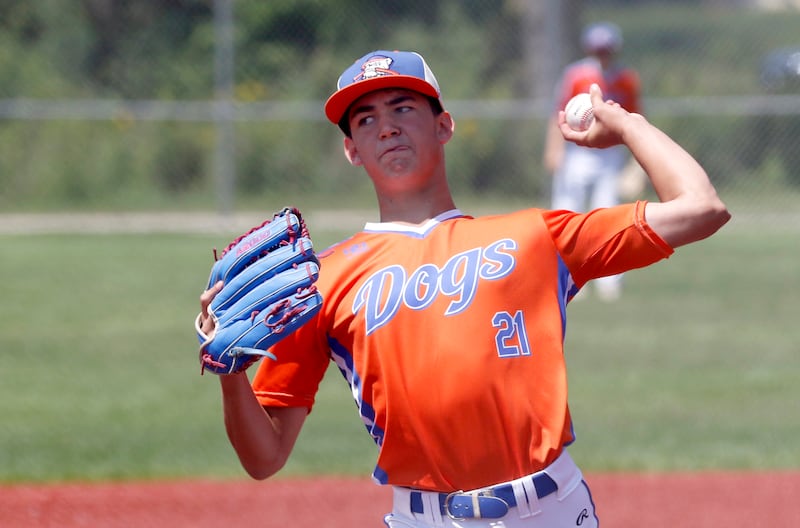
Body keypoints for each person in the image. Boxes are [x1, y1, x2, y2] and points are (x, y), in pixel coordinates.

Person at [198, 49, 730, 527]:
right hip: (423, 519)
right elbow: (264, 458)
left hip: (551, 511)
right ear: (352, 150)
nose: (386, 128)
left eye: (403, 108)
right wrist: (231, 375)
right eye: (366, 118)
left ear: (444, 125)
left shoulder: (534, 236)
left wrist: (627, 124)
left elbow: (701, 209)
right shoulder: (317, 282)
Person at [543, 22, 643, 301]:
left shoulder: (626, 79)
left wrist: (636, 165)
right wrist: (554, 150)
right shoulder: (576, 74)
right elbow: (558, 113)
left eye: (607, 49)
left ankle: (608, 280)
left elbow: (636, 120)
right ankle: (563, 276)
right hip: (577, 152)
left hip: (610, 155)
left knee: (608, 216)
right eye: (598, 49)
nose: (603, 54)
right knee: (567, 214)